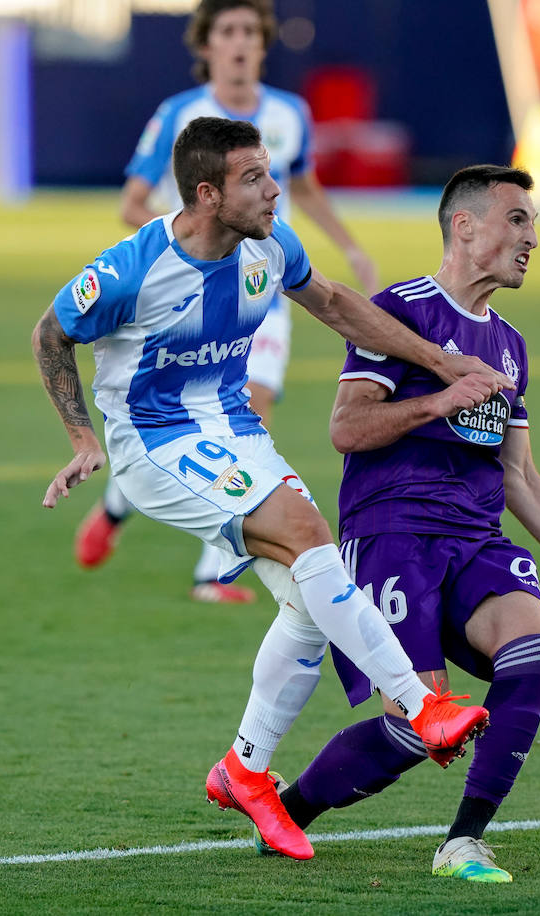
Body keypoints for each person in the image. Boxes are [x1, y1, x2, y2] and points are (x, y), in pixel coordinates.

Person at [33, 117, 511, 861]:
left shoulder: (268, 243)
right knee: (311, 541)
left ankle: (245, 769)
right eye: (253, 178)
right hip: (154, 444)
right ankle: (425, 707)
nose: (273, 189)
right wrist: (82, 437)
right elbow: (49, 334)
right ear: (206, 193)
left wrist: (439, 361)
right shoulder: (130, 270)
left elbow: (337, 304)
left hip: (235, 434)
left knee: (309, 598)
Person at [258, 165, 540, 881]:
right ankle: (291, 807)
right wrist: (437, 401)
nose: (533, 238)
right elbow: (347, 429)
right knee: (417, 731)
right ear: (465, 226)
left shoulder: (510, 346)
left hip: (475, 538)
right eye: (518, 220)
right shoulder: (399, 311)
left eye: (532, 223)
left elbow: (519, 473)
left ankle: (462, 841)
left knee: (531, 651)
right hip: (392, 536)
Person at [74, 0, 379, 605]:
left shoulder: (290, 113)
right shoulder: (180, 117)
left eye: (249, 32)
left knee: (249, 414)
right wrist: (185, 246)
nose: (239, 43)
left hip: (262, 291)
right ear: (206, 45)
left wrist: (349, 245)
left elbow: (303, 185)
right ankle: (128, 511)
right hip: (186, 296)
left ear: (264, 44)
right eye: (227, 32)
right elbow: (133, 203)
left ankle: (207, 571)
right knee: (189, 418)